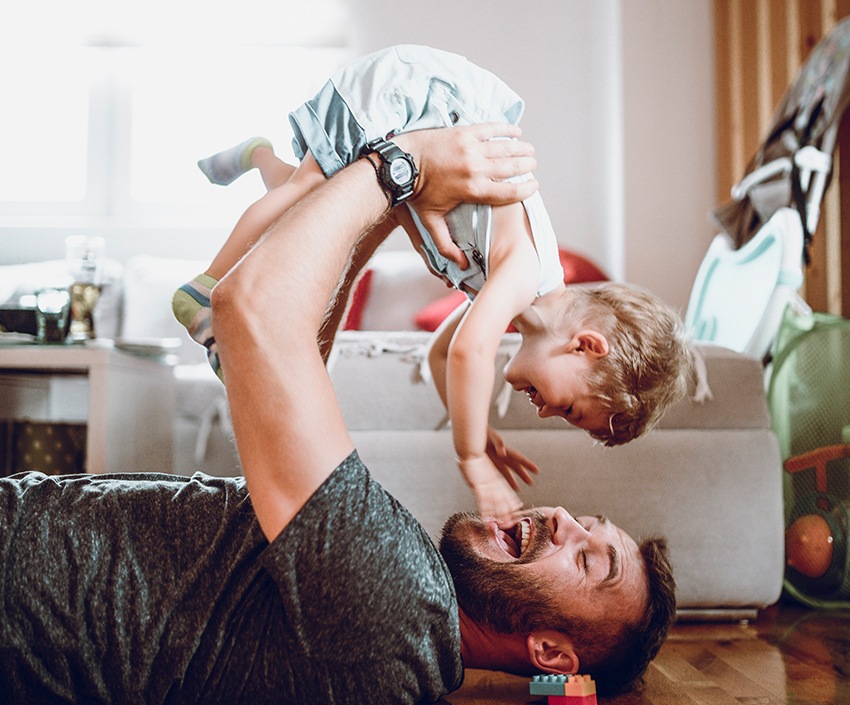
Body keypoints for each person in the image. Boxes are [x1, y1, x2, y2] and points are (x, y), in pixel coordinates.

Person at [0, 126, 676, 705]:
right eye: (587, 523)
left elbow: (250, 310)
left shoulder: (396, 603)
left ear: (551, 654)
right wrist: (384, 217)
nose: (563, 518)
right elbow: (288, 372)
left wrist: (400, 168)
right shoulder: (408, 635)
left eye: (588, 559)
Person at [173, 44, 693, 521]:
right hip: (409, 101)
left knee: (303, 191)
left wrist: (477, 426)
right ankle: (206, 287)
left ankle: (255, 155)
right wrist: (471, 459)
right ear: (586, 346)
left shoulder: (517, 301)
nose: (549, 411)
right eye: (572, 409)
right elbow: (469, 353)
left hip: (412, 124)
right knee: (308, 192)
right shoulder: (527, 273)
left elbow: (441, 355)